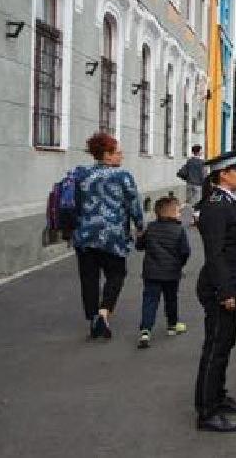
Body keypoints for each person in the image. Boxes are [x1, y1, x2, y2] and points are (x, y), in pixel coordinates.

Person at [194, 151, 236, 433]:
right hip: (223, 284)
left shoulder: (225, 201)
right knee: (215, 348)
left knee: (225, 345)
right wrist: (225, 291)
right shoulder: (217, 205)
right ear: (223, 175)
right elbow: (215, 253)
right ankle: (206, 412)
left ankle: (218, 397)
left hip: (233, 280)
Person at [72, 132, 143, 340]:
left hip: (85, 235)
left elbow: (74, 203)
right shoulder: (122, 176)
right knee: (116, 274)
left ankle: (93, 316)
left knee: (89, 278)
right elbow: (134, 204)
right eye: (118, 153)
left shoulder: (80, 174)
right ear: (106, 155)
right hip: (113, 236)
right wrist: (139, 226)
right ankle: (104, 311)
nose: (121, 157)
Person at [135, 195, 191, 349]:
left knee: (150, 300)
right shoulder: (179, 230)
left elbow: (140, 247)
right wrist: (180, 265)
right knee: (171, 299)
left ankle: (145, 330)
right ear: (171, 214)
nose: (179, 213)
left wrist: (139, 237)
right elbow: (185, 251)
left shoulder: (150, 228)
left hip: (151, 273)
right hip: (172, 273)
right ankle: (172, 325)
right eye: (178, 211)